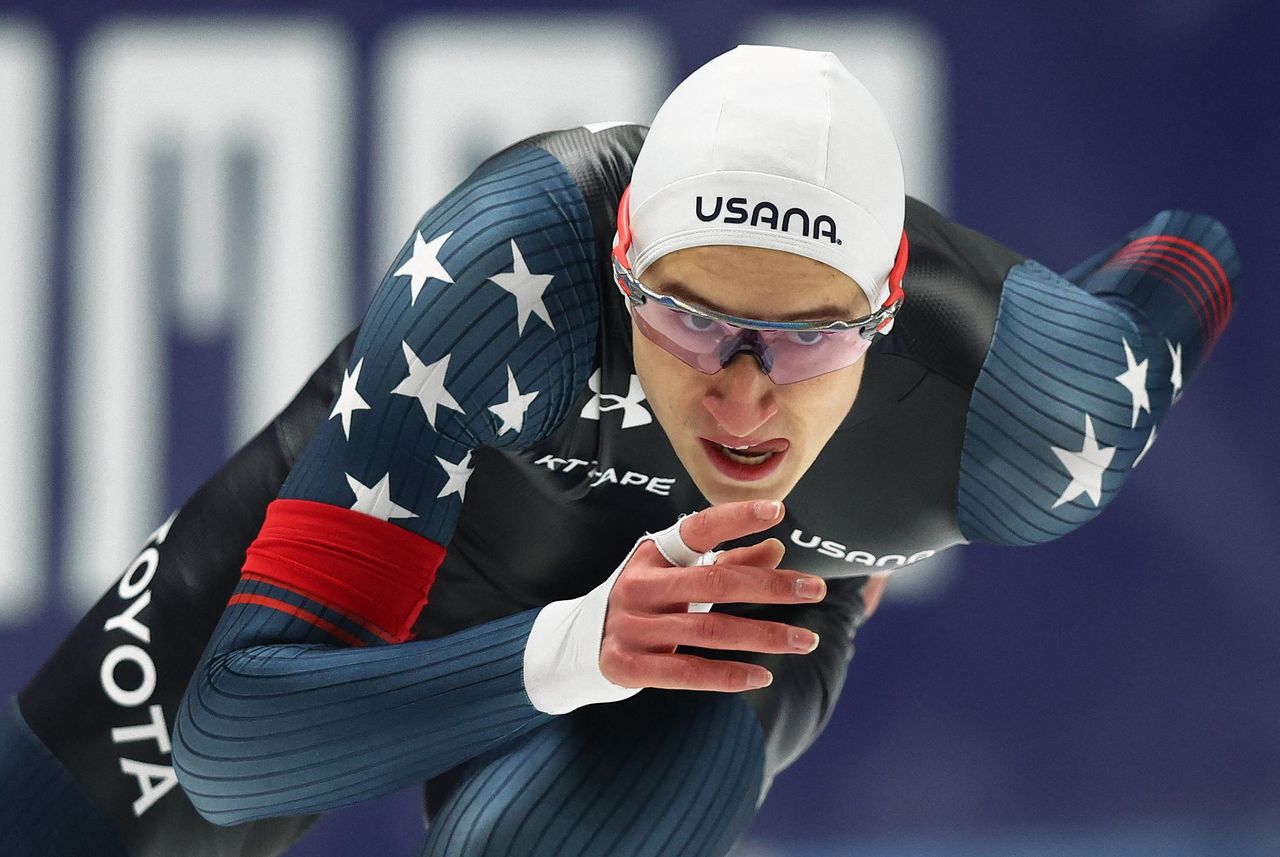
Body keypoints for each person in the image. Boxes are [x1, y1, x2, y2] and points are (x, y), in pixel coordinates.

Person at [0, 45, 1237, 857]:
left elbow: (1190, 251)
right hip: (434, 543)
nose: (741, 397)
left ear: (891, 304)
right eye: (688, 316)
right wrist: (575, 640)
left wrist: (637, 647)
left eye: (806, 341)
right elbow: (229, 744)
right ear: (617, 262)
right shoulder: (510, 273)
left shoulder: (1032, 414)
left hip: (726, 618)